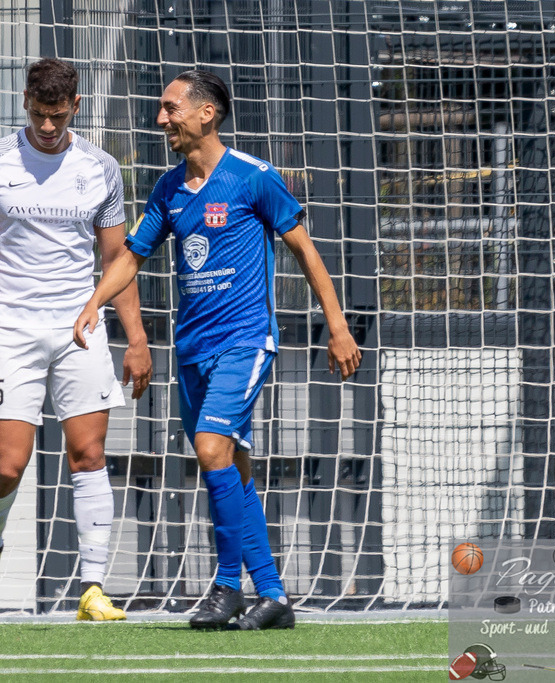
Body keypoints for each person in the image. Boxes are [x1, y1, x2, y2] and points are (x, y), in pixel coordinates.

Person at [73, 70, 360, 630]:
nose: (161, 119)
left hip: (245, 341)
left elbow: (306, 252)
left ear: (207, 114)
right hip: (192, 350)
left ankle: (227, 586)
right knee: (229, 466)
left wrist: (338, 325)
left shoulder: (255, 178)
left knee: (209, 448)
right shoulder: (168, 189)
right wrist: (94, 304)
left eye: (170, 108)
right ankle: (273, 595)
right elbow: (131, 257)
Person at [0, 57, 151, 621]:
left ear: (75, 107)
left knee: (89, 455)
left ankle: (91, 589)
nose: (47, 126)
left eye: (57, 115)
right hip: (10, 330)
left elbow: (117, 259)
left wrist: (135, 338)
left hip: (80, 329)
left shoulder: (101, 167)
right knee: (9, 466)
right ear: (25, 102)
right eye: (39, 115)